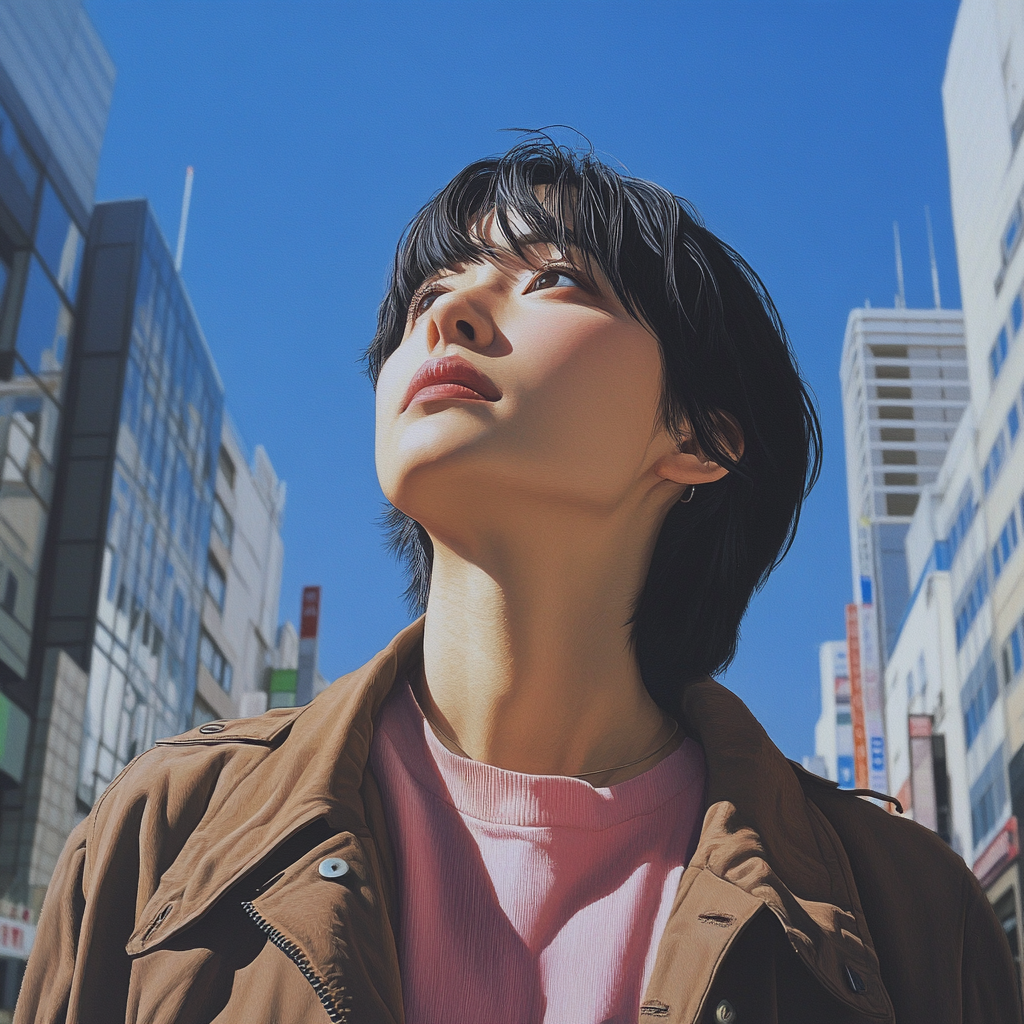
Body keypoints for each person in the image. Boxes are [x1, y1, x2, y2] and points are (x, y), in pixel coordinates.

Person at [17, 139, 1020, 1024]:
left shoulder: (903, 911)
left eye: (552, 279)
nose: (448, 309)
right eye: (422, 299)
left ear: (700, 434)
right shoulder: (166, 836)